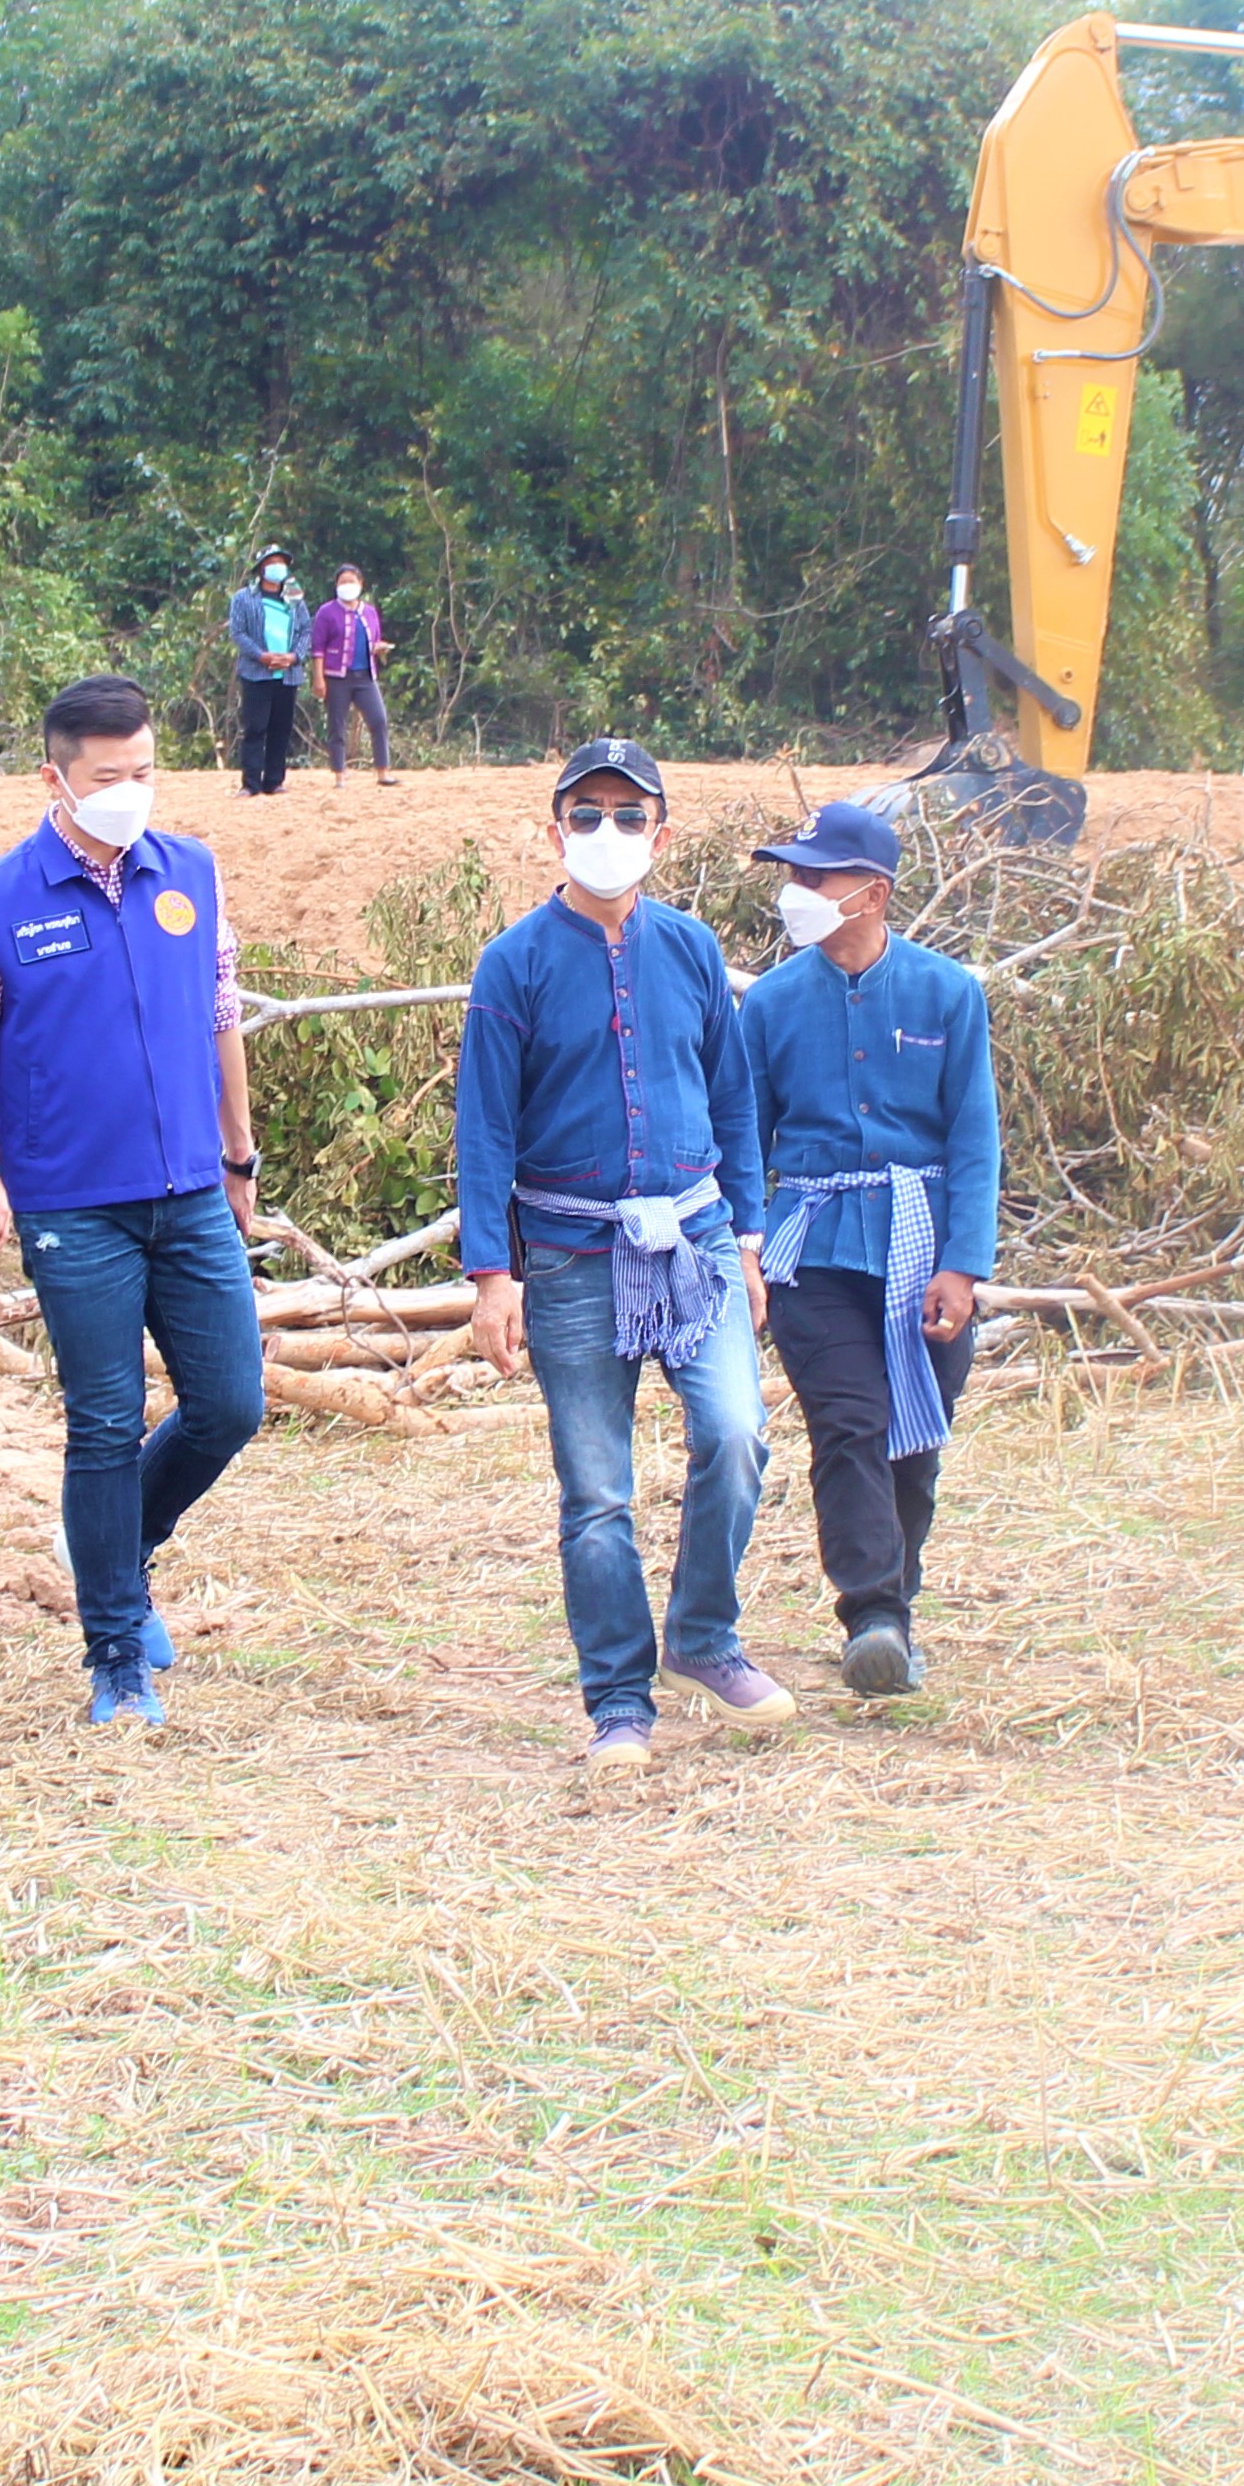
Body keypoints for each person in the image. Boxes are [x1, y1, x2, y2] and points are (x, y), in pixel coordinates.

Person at [0, 675, 267, 1730]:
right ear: (55, 778)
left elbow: (220, 1017)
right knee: (105, 1424)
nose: (131, 792)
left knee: (230, 1404)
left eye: (145, 771)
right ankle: (115, 1650)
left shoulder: (190, 872)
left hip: (190, 1192)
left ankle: (117, 1543)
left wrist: (240, 1156)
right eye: (109, 776)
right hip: (75, 1211)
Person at [459, 737, 780, 1773]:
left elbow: (733, 1099)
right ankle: (618, 1702)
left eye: (629, 816)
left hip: (694, 1241)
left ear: (662, 835)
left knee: (736, 1434)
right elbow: (484, 1132)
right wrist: (492, 1276)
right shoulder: (514, 964)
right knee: (597, 1494)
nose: (609, 833)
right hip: (570, 1255)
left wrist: (747, 1238)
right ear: (555, 833)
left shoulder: (690, 950)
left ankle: (703, 1637)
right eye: (587, 814)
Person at [739, 800, 1001, 1696]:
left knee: (915, 1439)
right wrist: (745, 1246)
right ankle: (873, 1616)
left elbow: (974, 1136)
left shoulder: (948, 994)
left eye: (818, 876)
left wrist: (963, 1264)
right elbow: (745, 1140)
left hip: (923, 1248)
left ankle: (897, 1610)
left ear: (875, 893)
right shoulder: (769, 1005)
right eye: (795, 874)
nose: (798, 890)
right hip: (812, 1252)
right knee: (849, 1423)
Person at [225, 550, 303, 796]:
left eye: (281, 563)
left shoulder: (295, 597)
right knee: (255, 728)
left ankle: (274, 781)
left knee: (281, 728)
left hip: (287, 674)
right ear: (261, 568)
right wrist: (262, 656)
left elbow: (306, 631)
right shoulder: (244, 598)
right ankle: (251, 783)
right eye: (271, 563)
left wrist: (294, 657)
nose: (277, 567)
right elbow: (238, 633)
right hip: (256, 672)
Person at [312, 563, 395, 783]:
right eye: (343, 581)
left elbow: (373, 640)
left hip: (365, 676)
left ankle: (383, 771)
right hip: (336, 677)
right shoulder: (326, 612)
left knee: (378, 720)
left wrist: (379, 648)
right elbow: (318, 648)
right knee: (337, 725)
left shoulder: (369, 611)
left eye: (351, 581)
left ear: (360, 584)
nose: (347, 585)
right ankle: (339, 774)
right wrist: (318, 678)